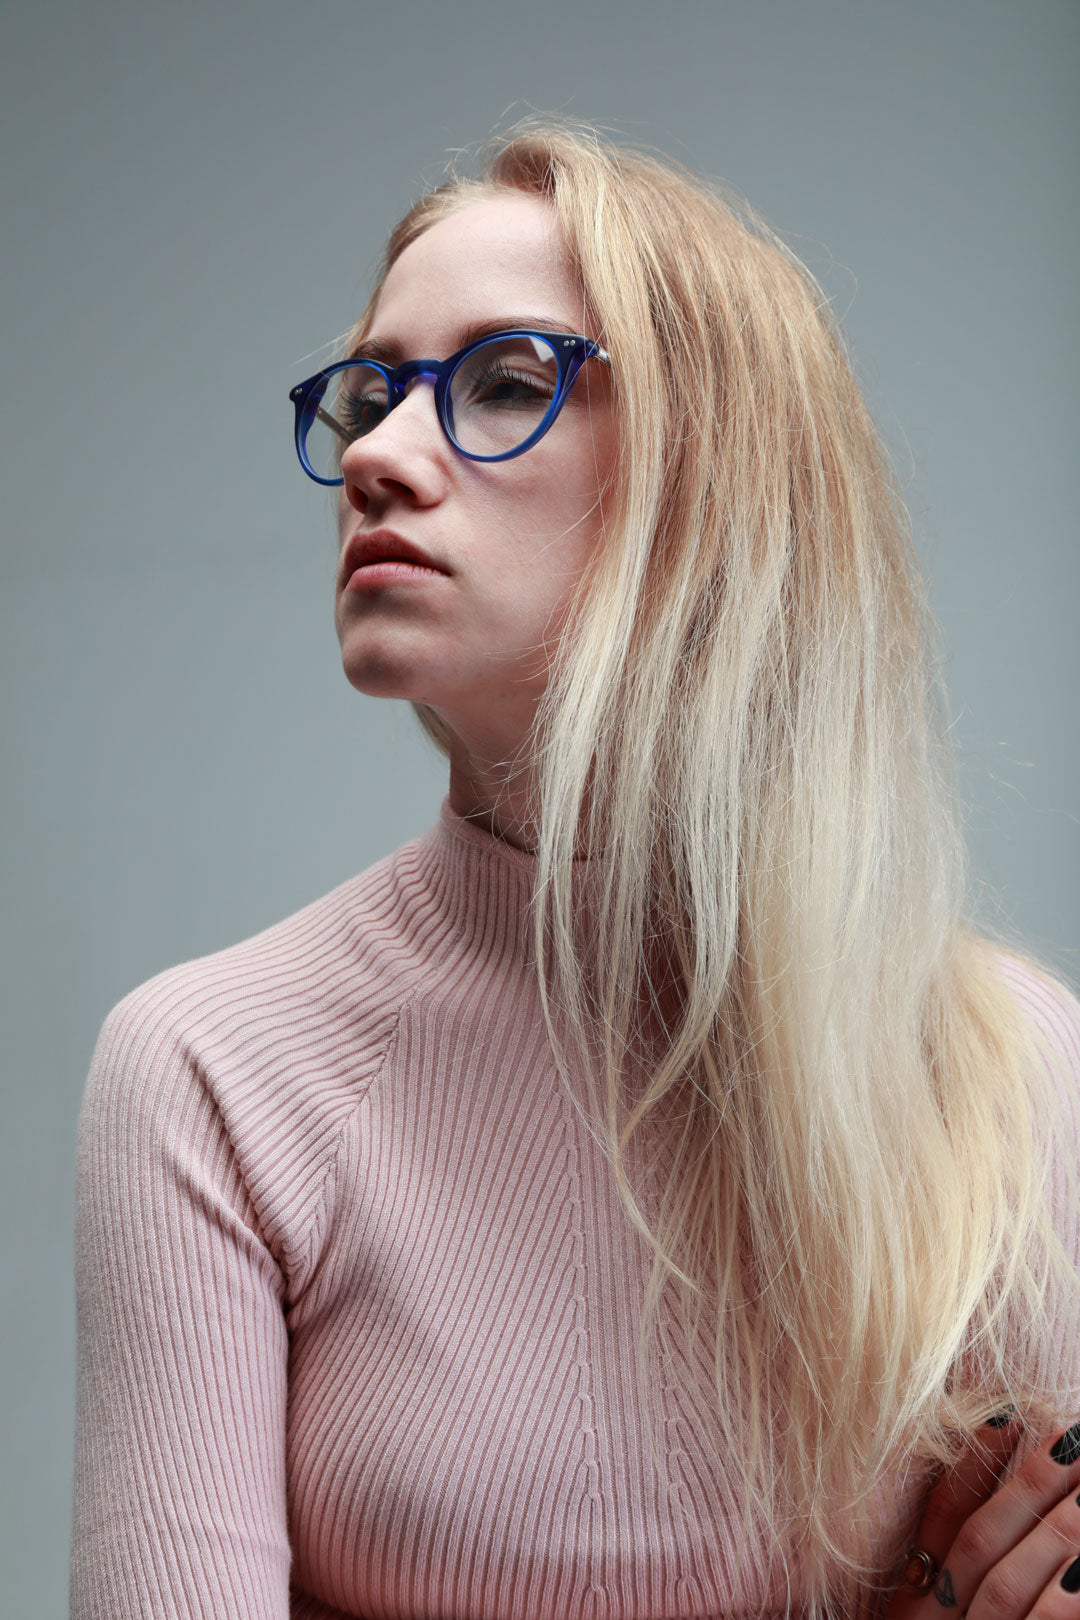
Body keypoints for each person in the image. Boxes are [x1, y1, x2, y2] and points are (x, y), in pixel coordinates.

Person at [71, 121, 1080, 1620]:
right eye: (369, 395)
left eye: (501, 383)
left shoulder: (1011, 1074)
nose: (374, 459)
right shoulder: (212, 1073)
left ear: (716, 475)